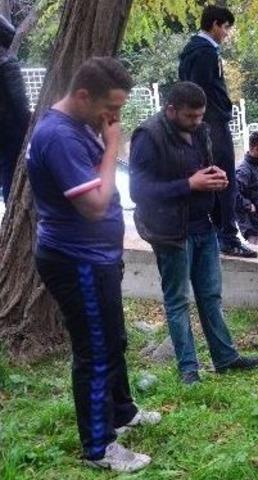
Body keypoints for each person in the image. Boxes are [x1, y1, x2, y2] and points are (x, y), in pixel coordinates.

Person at [28, 57, 158, 472]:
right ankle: (99, 447)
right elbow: (94, 204)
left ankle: (121, 411)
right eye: (111, 109)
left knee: (114, 338)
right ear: (83, 96)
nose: (115, 118)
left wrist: (105, 138)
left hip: (97, 258)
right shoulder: (58, 136)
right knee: (95, 351)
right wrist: (113, 145)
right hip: (76, 260)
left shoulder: (81, 124)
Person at [130, 81, 258, 385]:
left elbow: (204, 167)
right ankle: (188, 368)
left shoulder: (201, 131)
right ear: (171, 110)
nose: (197, 122)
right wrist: (189, 185)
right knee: (177, 300)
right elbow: (139, 190)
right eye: (190, 116)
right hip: (170, 231)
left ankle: (226, 358)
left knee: (210, 296)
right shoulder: (148, 136)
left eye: (200, 116)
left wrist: (216, 177)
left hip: (204, 225)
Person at [178, 5, 256, 258]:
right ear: (214, 24)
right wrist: (216, 115)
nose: (227, 33)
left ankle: (217, 233)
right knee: (224, 179)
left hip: (205, 125)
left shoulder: (194, 50)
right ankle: (228, 236)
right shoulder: (205, 53)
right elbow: (201, 91)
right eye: (226, 27)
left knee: (214, 177)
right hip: (211, 126)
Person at [0, 15, 30, 204]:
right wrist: (29, 125)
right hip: (11, 128)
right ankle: (12, 204)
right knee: (11, 170)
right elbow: (19, 101)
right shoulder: (6, 62)